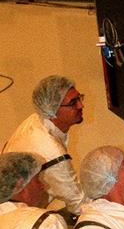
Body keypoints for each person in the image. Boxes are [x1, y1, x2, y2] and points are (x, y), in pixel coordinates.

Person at [3, 75, 86, 215]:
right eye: (73, 102)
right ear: (51, 111)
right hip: (17, 217)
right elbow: (79, 205)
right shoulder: (51, 152)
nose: (81, 105)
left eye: (79, 98)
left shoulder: (35, 120)